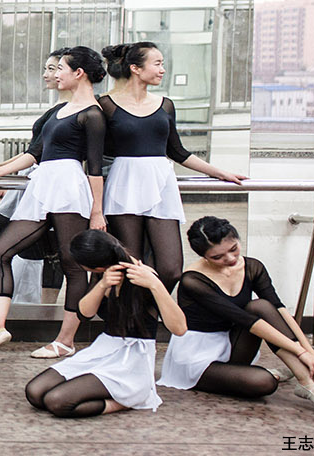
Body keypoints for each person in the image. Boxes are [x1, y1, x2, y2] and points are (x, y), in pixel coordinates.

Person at [0, 46, 109, 364]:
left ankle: (65, 341)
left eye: (61, 68)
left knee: (72, 263)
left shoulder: (92, 114)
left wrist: (97, 211)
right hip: (43, 184)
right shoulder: (59, 111)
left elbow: (94, 168)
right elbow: (35, 153)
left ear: (79, 73)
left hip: (69, 187)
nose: (55, 73)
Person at [98, 42, 248, 293]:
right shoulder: (106, 104)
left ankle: (151, 306)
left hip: (161, 182)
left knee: (171, 268)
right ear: (135, 68)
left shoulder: (165, 104)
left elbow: (177, 151)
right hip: (124, 182)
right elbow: (96, 153)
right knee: (129, 264)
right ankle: (131, 316)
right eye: (157, 64)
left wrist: (220, 172)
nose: (163, 70)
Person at [157, 217, 314, 415]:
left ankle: (307, 382)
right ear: (204, 257)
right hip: (196, 357)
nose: (230, 259)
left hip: (231, 343)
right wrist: (300, 353)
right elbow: (247, 321)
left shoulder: (252, 267)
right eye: (217, 257)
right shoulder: (193, 280)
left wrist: (311, 354)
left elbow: (280, 311)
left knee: (262, 306)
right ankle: (278, 374)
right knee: (264, 382)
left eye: (233, 249)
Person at [24, 230, 187, 418]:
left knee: (57, 402)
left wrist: (155, 285)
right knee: (35, 392)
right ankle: (114, 393)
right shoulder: (104, 274)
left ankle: (129, 400)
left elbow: (179, 328)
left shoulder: (142, 276)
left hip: (131, 358)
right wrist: (102, 285)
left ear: (96, 265)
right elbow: (84, 313)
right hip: (104, 348)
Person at [0, 48, 70, 307]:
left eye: (54, 68)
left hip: (51, 184)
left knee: (49, 249)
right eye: (48, 68)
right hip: (32, 180)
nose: (47, 74)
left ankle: (44, 308)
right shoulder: (57, 109)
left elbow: (36, 154)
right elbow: (33, 151)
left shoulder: (74, 110)